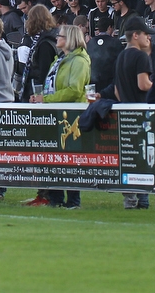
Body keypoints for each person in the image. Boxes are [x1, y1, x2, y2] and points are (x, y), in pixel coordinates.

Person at [30, 25, 89, 209]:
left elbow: (74, 90)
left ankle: (73, 201)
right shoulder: (60, 59)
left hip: (70, 115)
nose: (57, 38)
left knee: (70, 159)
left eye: (60, 36)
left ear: (70, 39)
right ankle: (56, 199)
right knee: (53, 158)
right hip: (55, 113)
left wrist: (46, 99)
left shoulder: (79, 61)